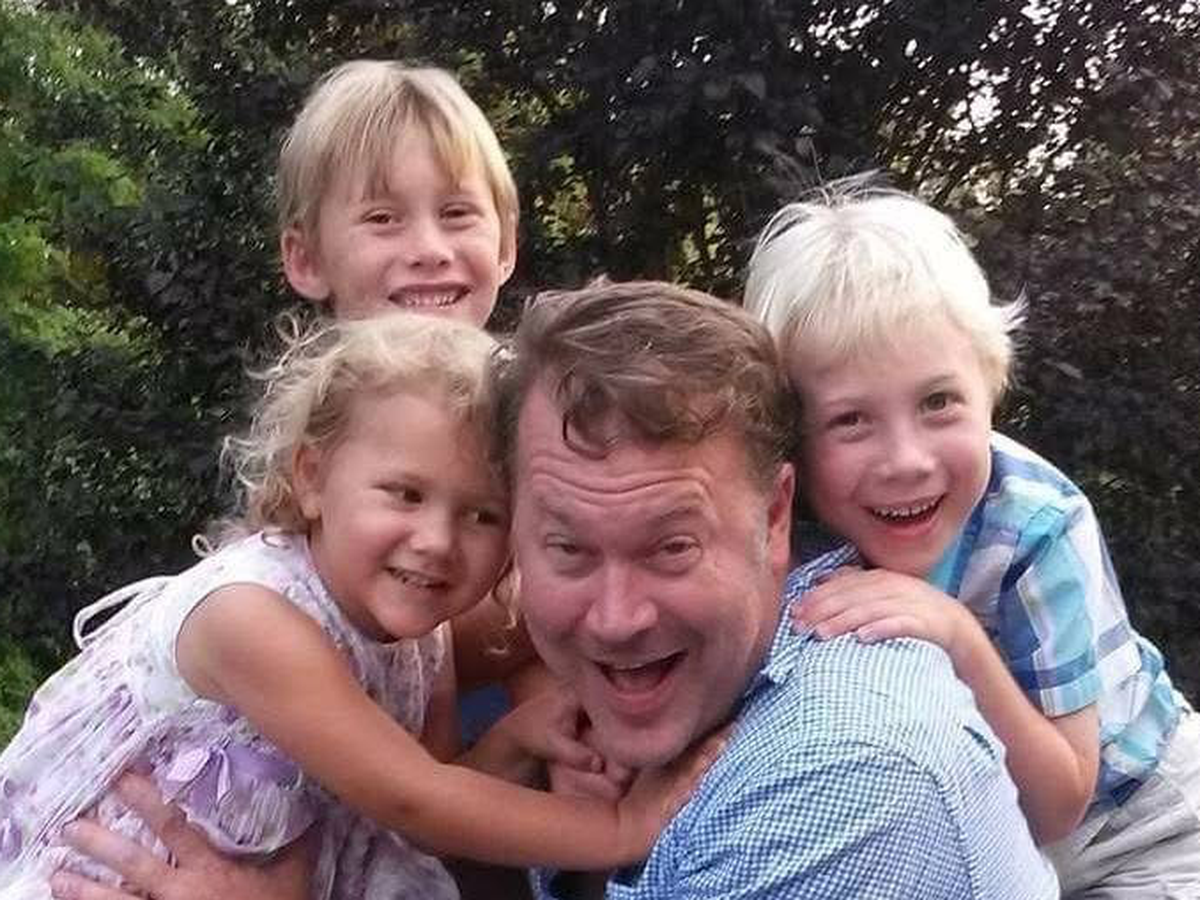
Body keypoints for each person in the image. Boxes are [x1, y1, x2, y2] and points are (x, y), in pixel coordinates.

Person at [49, 281, 1058, 900]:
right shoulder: (269, 615)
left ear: (776, 518)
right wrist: (523, 763)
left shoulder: (846, 788)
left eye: (670, 547)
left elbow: (419, 801)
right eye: (568, 548)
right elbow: (422, 805)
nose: (615, 617)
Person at [1, 312, 713, 900]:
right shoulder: (252, 617)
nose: (437, 542)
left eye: (484, 515)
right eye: (405, 494)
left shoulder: (421, 638)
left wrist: (514, 742)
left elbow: (426, 804)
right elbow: (414, 799)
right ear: (313, 478)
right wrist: (624, 828)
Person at [743, 182, 1200, 896]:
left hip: (1141, 823)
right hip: (996, 827)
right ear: (792, 437)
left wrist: (958, 635)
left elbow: (1061, 801)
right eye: (850, 420)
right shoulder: (786, 521)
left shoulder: (1034, 526)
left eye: (939, 402)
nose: (906, 460)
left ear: (990, 390)